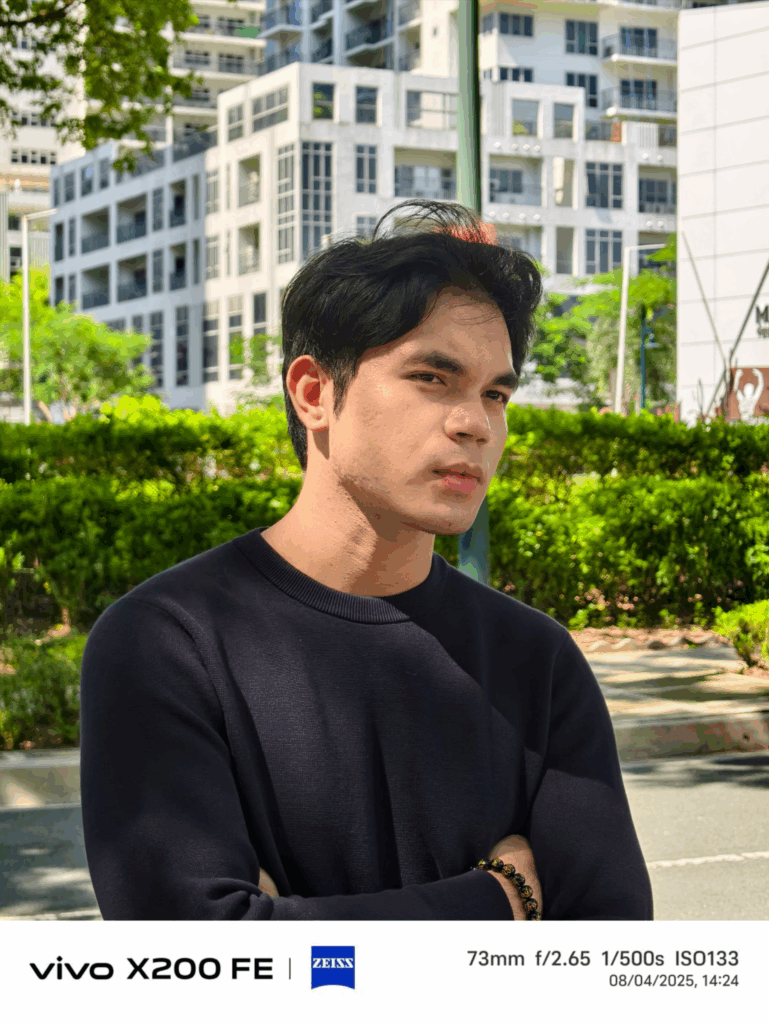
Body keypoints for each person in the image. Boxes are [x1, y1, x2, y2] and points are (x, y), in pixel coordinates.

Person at [79, 199, 653, 921]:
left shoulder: (534, 660)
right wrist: (502, 896)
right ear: (315, 393)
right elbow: (195, 963)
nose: (475, 423)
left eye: (496, 393)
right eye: (431, 378)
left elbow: (612, 963)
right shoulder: (167, 643)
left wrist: (293, 932)